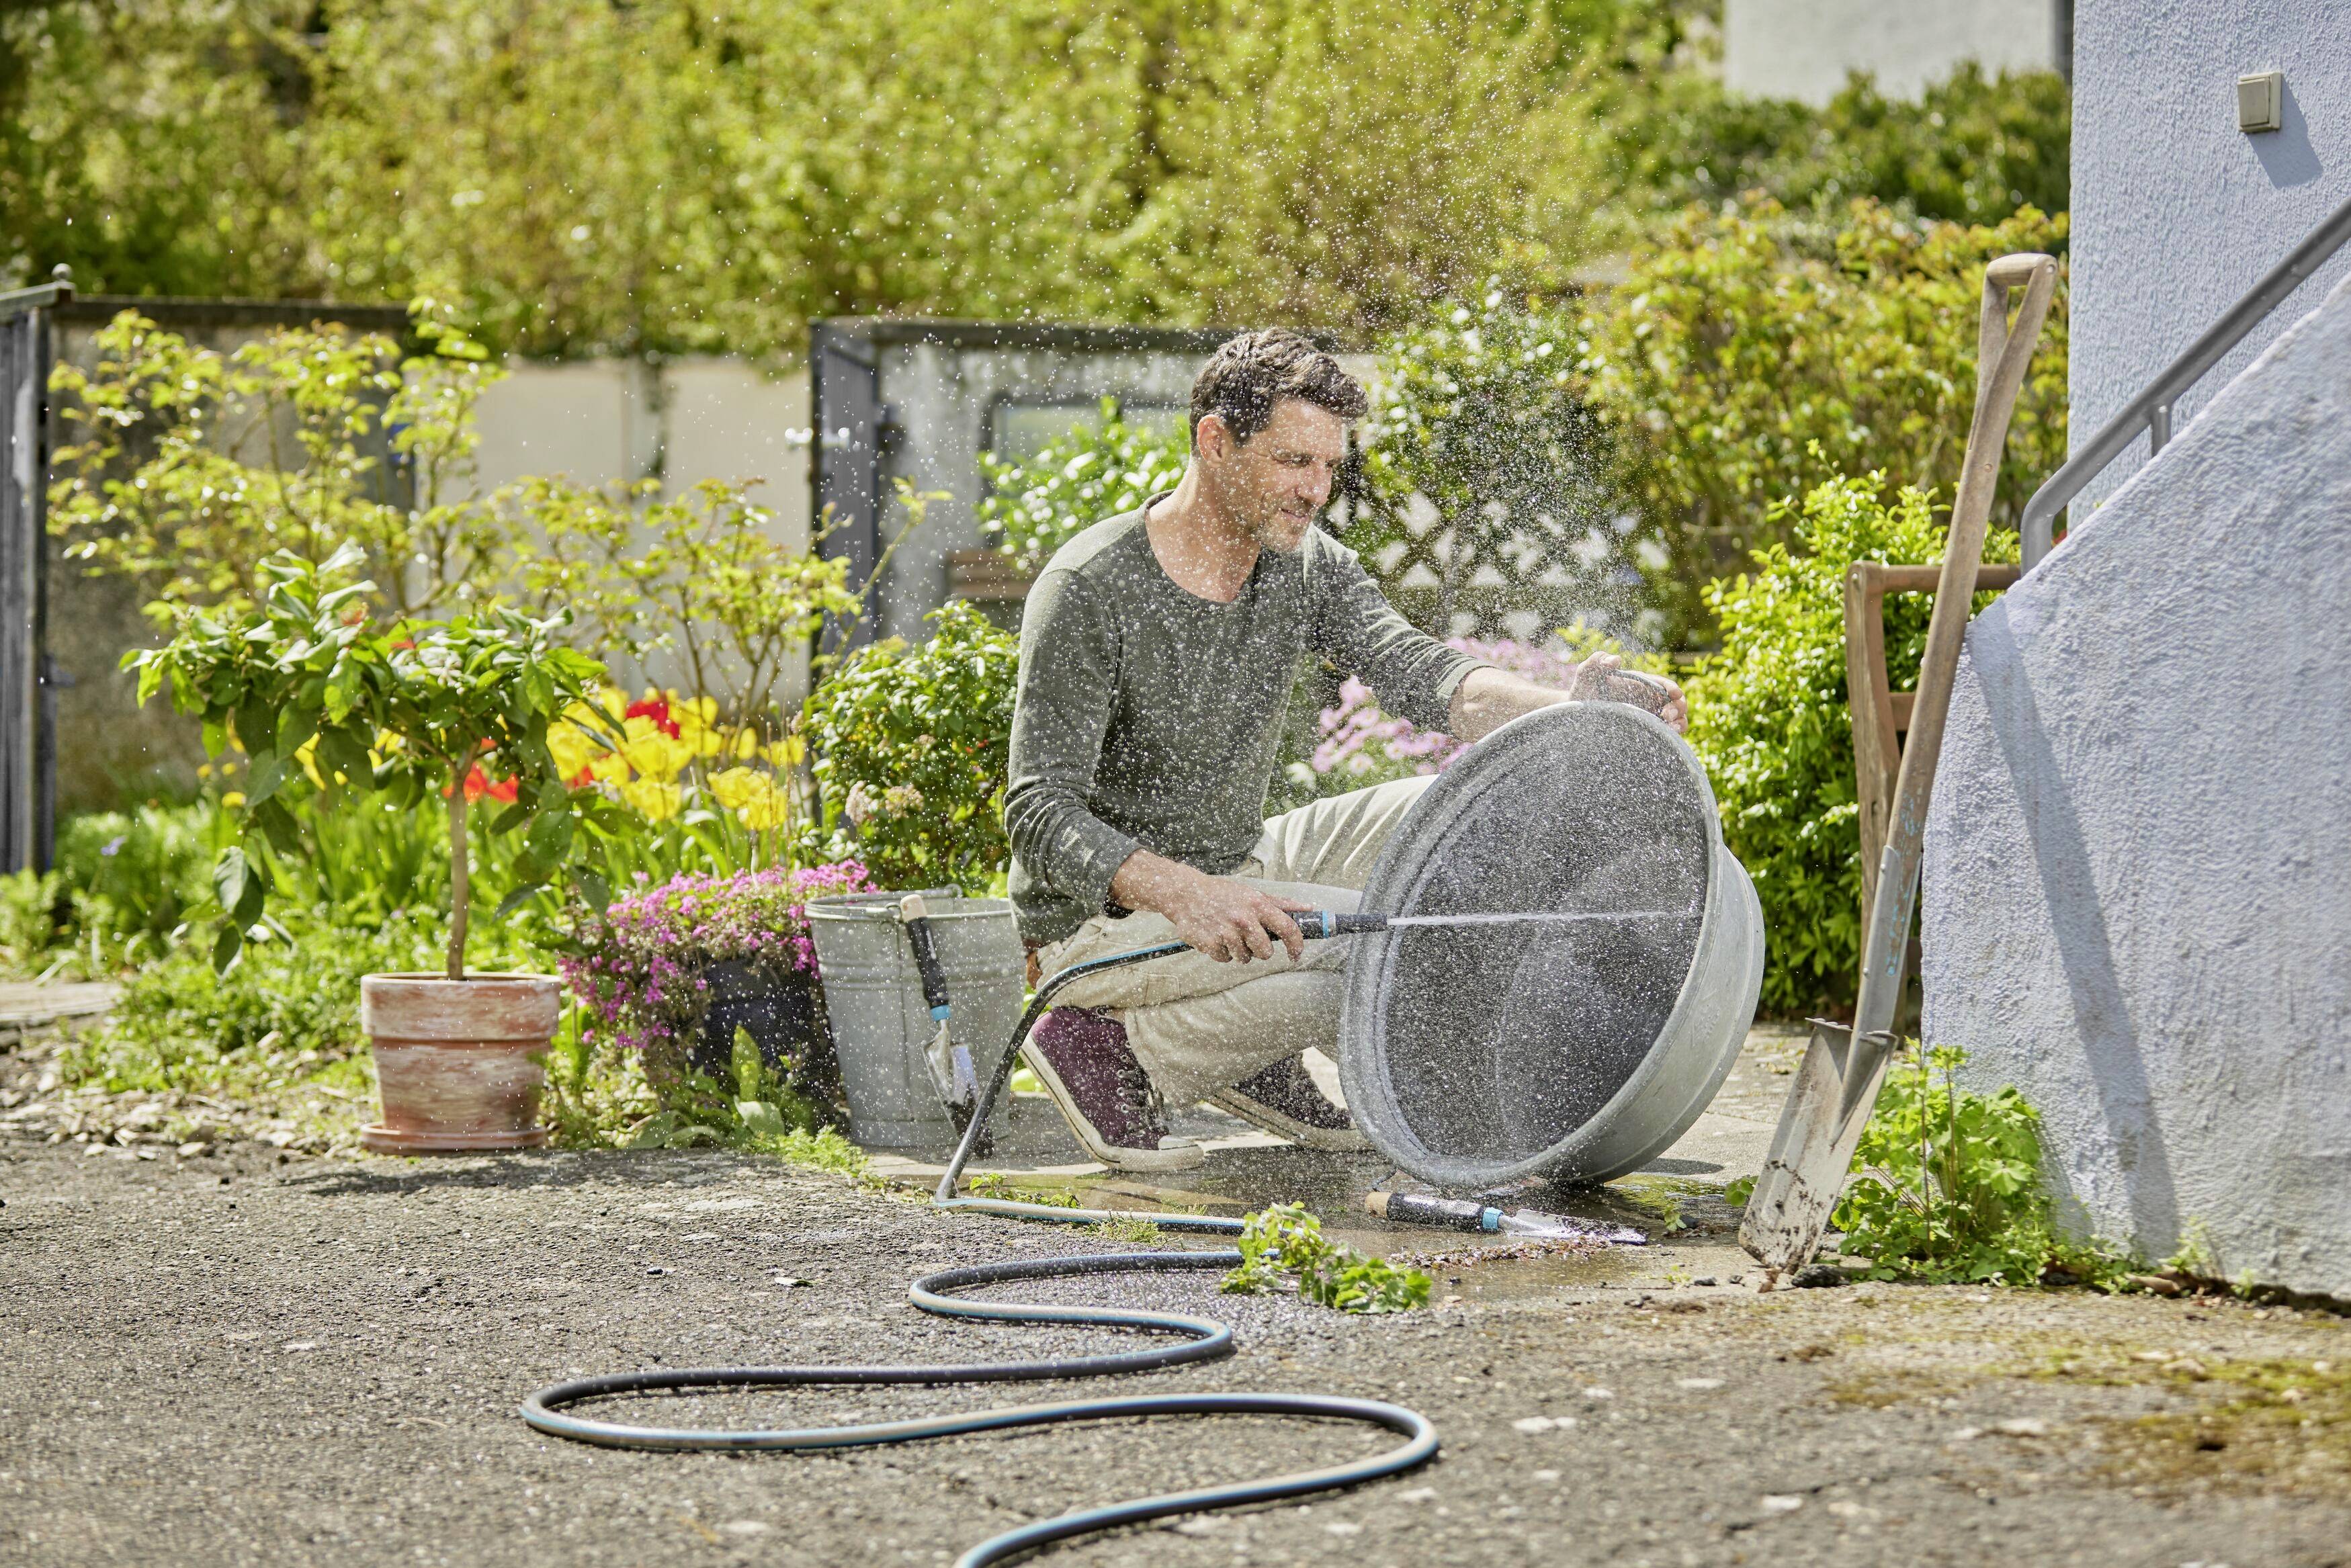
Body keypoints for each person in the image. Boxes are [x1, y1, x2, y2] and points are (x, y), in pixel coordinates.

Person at [1003, 330, 1686, 1170]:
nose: (1316, 490)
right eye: (1294, 461)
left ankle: (1241, 1049)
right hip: (1095, 926)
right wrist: (1192, 897)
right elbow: (1037, 813)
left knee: (1445, 815)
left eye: (1329, 466)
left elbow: (1421, 672)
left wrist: (1572, 712)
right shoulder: (1091, 588)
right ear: (1215, 442)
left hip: (1234, 859)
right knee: (1390, 945)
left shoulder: (1303, 564)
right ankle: (1104, 1048)